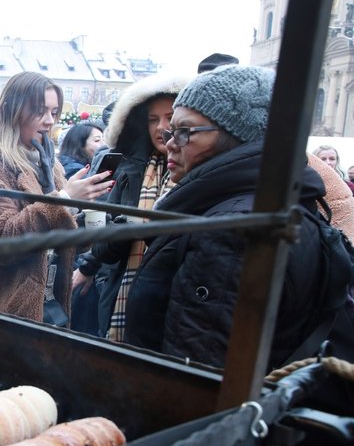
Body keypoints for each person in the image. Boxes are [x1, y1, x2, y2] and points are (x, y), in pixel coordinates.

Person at [124, 65, 330, 367]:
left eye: (185, 132)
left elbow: (196, 376)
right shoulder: (260, 206)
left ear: (239, 136)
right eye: (171, 131)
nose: (169, 143)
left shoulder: (231, 232)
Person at [0, 72, 113, 322]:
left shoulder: (49, 165)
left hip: (48, 306)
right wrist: (63, 200)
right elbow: (3, 245)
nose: (50, 120)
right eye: (40, 111)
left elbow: (72, 243)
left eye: (54, 111)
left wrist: (85, 211)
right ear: (12, 110)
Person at [72, 72, 189, 340]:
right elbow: (96, 223)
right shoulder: (128, 169)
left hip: (170, 302)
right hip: (119, 292)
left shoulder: (196, 172)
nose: (161, 127)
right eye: (152, 119)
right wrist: (93, 263)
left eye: (170, 118)